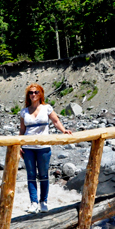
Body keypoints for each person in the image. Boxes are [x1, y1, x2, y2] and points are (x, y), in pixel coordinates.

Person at [19, 84, 72, 213]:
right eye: (31, 93)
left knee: (43, 175)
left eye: (36, 92)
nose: (33, 95)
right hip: (28, 147)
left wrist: (64, 130)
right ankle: (33, 202)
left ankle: (43, 201)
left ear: (41, 94)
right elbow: (22, 130)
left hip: (43, 147)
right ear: (28, 95)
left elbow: (55, 121)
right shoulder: (24, 111)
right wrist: (18, 145)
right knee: (31, 175)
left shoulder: (46, 108)